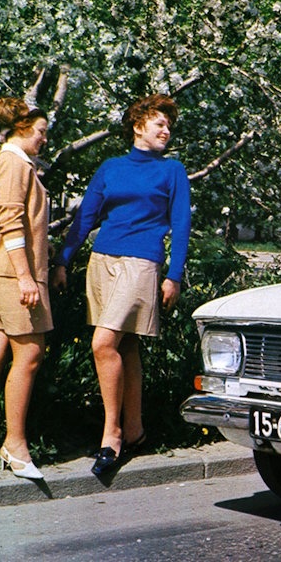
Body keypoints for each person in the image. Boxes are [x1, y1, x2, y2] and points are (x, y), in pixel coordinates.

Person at [51, 94, 191, 476]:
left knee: (103, 342)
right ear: (138, 125)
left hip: (141, 263)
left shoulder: (172, 171)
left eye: (169, 126)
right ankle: (135, 429)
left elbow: (181, 226)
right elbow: (86, 217)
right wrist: (63, 259)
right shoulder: (111, 167)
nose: (166, 130)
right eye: (159, 124)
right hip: (102, 262)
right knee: (125, 343)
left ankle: (110, 433)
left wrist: (173, 274)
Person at [0, 98, 52, 480]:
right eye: (40, 132)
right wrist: (24, 276)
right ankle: (14, 445)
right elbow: (11, 222)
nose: (44, 139)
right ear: (22, 129)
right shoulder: (15, 165)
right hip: (11, 276)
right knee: (30, 354)